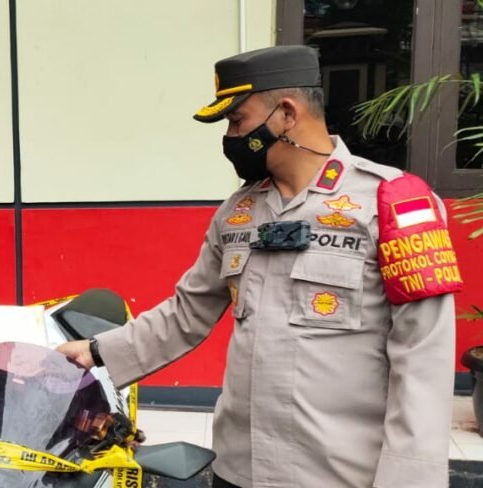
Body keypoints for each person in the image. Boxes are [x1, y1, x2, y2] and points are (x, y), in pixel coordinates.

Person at [57, 46, 461, 487]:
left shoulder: (393, 203)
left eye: (237, 121)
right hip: (239, 469)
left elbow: (423, 359)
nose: (230, 137)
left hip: (338, 475)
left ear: (286, 114)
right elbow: (186, 314)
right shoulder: (238, 212)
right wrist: (96, 352)